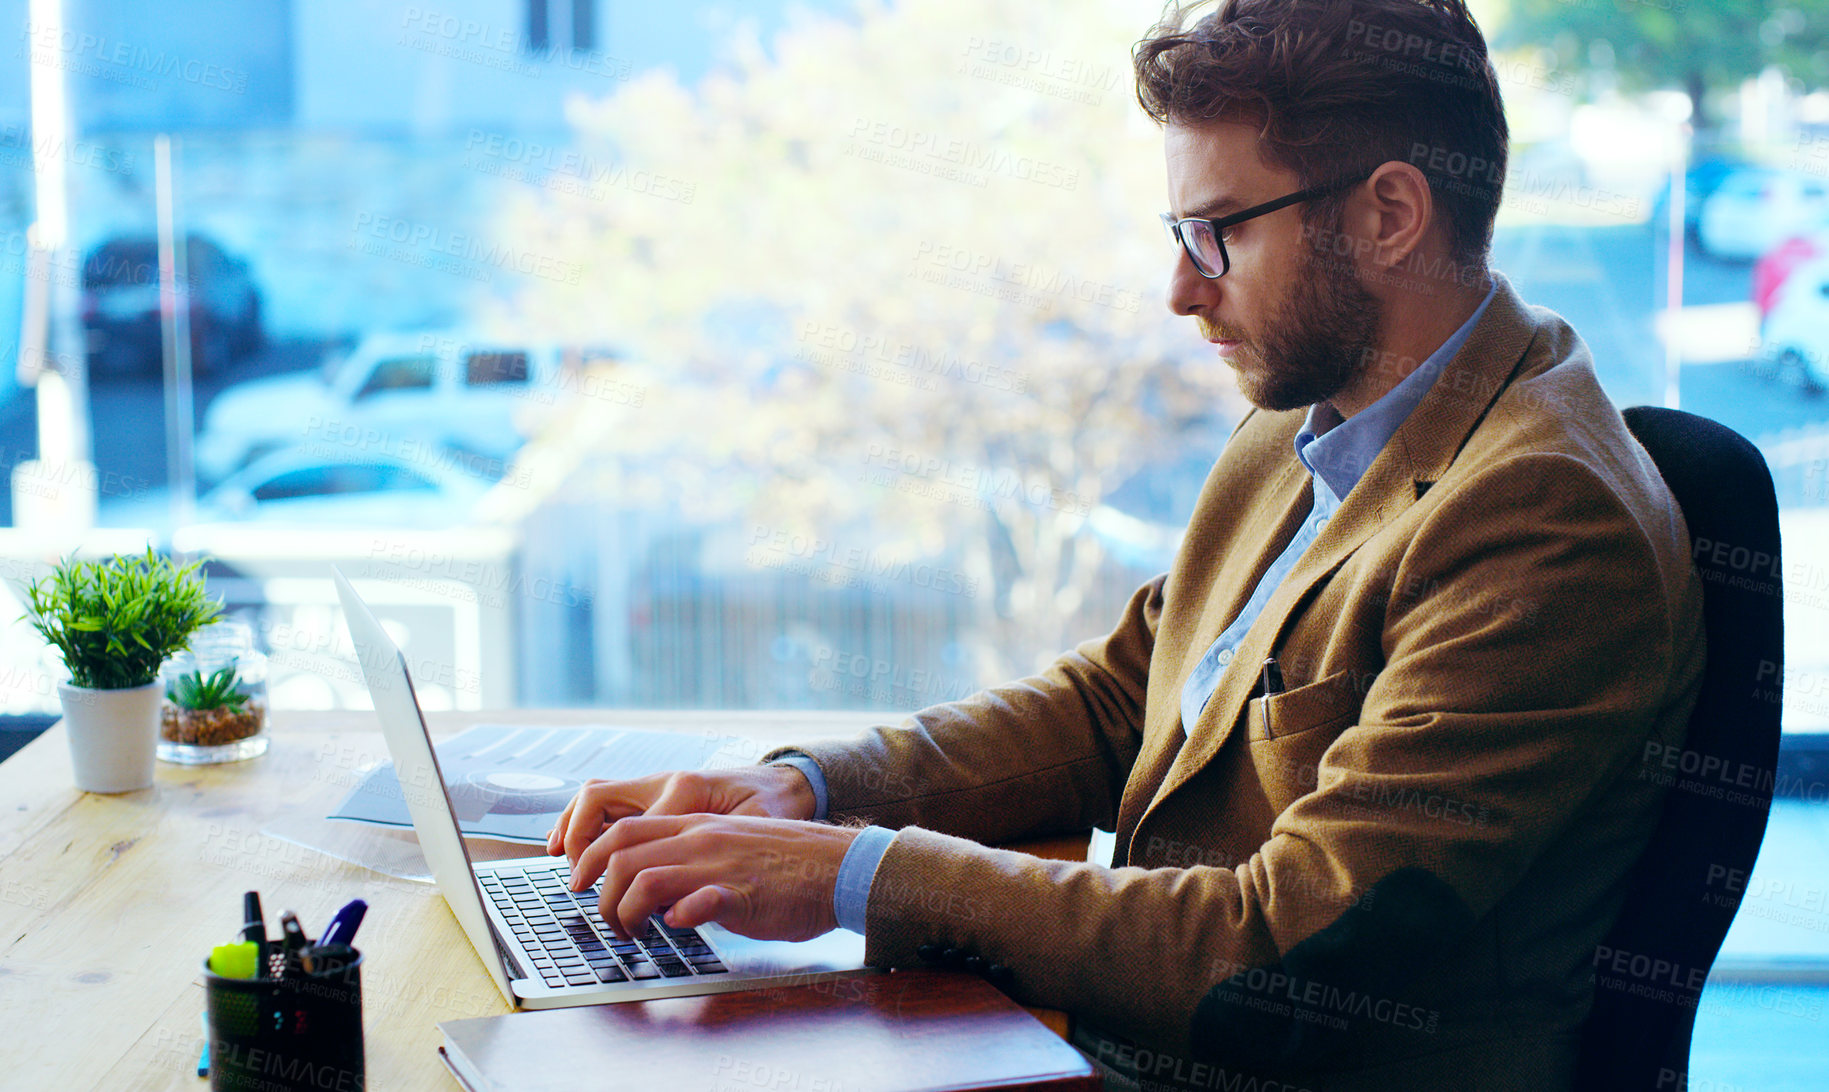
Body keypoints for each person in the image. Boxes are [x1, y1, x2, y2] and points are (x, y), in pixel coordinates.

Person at [547, 0, 1705, 1086]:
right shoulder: (1313, 417)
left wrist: (850, 876)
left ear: (1389, 215)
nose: (1178, 292)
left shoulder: (1545, 522)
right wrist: (803, 792)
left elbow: (1283, 945)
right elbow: (1120, 699)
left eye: (1214, 237)